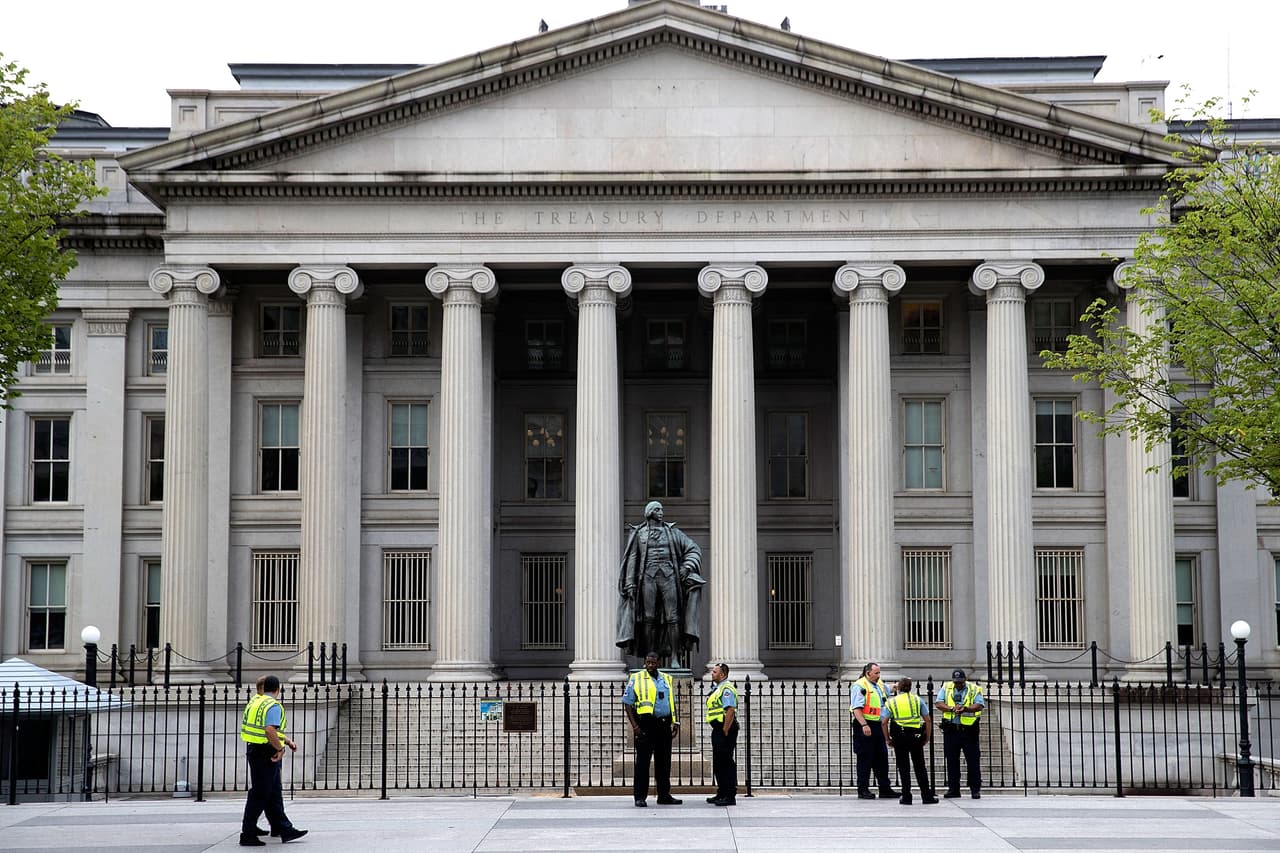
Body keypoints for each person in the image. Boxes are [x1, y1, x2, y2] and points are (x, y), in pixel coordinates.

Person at [616, 500, 705, 664]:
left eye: (662, 509)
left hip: (669, 577)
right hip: (647, 579)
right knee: (648, 618)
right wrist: (630, 583)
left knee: (673, 617)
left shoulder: (673, 532)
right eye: (658, 509)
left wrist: (686, 567)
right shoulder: (639, 533)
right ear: (650, 512)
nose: (661, 512)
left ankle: (675, 658)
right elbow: (633, 559)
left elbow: (693, 549)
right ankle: (650, 658)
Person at [239, 675, 307, 845]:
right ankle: (247, 833)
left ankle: (282, 828)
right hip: (266, 752)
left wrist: (286, 740)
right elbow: (269, 730)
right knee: (261, 794)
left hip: (255, 749)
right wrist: (280, 748)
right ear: (278, 689)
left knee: (273, 792)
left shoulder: (255, 702)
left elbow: (264, 730)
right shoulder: (274, 705)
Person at [622, 651, 682, 807]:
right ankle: (640, 797)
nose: (650, 665)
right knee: (642, 763)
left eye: (653, 663)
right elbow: (627, 703)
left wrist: (675, 722)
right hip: (646, 725)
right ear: (645, 662)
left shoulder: (667, 678)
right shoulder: (636, 678)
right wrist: (635, 726)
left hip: (664, 725)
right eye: (648, 662)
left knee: (664, 763)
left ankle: (664, 795)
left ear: (658, 663)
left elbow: (671, 702)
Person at [882, 677, 938, 805]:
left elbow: (884, 722)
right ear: (911, 687)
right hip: (915, 737)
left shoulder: (892, 702)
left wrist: (887, 739)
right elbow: (928, 720)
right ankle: (926, 795)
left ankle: (906, 796)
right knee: (920, 767)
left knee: (903, 767)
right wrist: (927, 737)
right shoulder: (917, 700)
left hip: (899, 737)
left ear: (899, 688)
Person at [935, 668, 985, 799]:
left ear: (965, 680)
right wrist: (952, 708)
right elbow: (939, 703)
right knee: (951, 760)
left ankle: (975, 789)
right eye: (956, 682)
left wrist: (966, 708)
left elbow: (979, 705)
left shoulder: (974, 689)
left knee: (973, 760)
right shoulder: (946, 687)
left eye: (961, 682)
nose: (958, 684)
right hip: (951, 729)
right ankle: (954, 789)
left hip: (969, 730)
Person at [849, 661, 897, 799]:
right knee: (865, 758)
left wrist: (901, 685)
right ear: (868, 673)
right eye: (876, 673)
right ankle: (863, 790)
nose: (878, 675)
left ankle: (885, 789)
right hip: (865, 726)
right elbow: (856, 708)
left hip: (877, 726)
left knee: (881, 758)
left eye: (879, 672)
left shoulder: (878, 684)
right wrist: (864, 725)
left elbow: (889, 689)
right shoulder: (860, 686)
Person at [705, 662, 739, 806]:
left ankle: (729, 795)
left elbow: (730, 710)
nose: (712, 673)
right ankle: (722, 792)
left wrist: (725, 730)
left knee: (726, 762)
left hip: (725, 729)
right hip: (718, 729)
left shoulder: (726, 688)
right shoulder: (717, 688)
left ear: (722, 674)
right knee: (719, 763)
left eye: (714, 672)